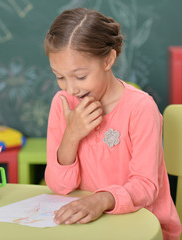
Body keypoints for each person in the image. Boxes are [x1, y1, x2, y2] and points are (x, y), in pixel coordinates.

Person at [44, 8, 181, 240]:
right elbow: (59, 186)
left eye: (80, 76)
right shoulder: (63, 104)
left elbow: (146, 186)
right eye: (60, 77)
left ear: (108, 59)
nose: (71, 88)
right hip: (88, 228)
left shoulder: (140, 108)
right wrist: (71, 135)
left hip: (145, 227)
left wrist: (101, 200)